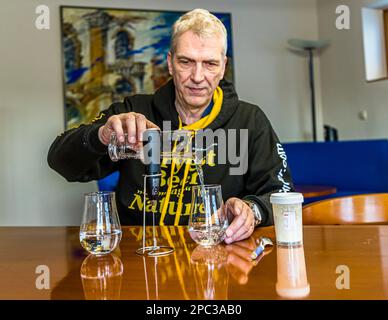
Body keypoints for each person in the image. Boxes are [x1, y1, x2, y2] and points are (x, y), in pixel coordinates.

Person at [48, 8, 293, 244]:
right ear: (170, 63)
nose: (198, 77)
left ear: (223, 68)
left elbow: (281, 194)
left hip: (215, 257)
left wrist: (252, 210)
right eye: (186, 62)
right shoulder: (133, 111)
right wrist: (100, 135)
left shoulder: (250, 120)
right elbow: (60, 161)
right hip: (138, 258)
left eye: (209, 64)